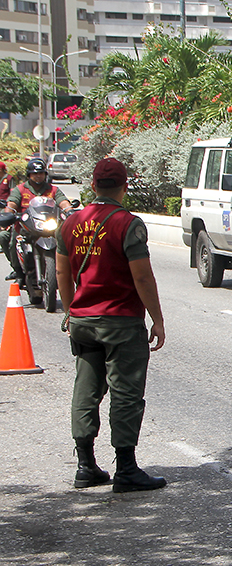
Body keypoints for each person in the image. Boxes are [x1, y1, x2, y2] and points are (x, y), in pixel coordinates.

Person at [55, 157, 167, 493]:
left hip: (83, 320)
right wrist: (157, 319)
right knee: (125, 392)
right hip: (120, 320)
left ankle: (85, 465)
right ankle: (127, 468)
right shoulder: (127, 224)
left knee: (86, 390)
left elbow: (62, 273)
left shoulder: (70, 223)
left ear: (92, 186)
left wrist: (70, 309)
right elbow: (142, 275)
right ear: (124, 187)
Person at [1, 158, 72, 281]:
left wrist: (69, 210)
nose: (38, 176)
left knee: (67, 238)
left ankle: (68, 269)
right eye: (35, 174)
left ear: (45, 174)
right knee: (7, 238)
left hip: (49, 227)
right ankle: (18, 271)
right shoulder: (20, 189)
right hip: (25, 228)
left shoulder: (53, 189)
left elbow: (63, 201)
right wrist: (9, 214)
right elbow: (11, 204)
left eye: (41, 173)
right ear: (29, 175)